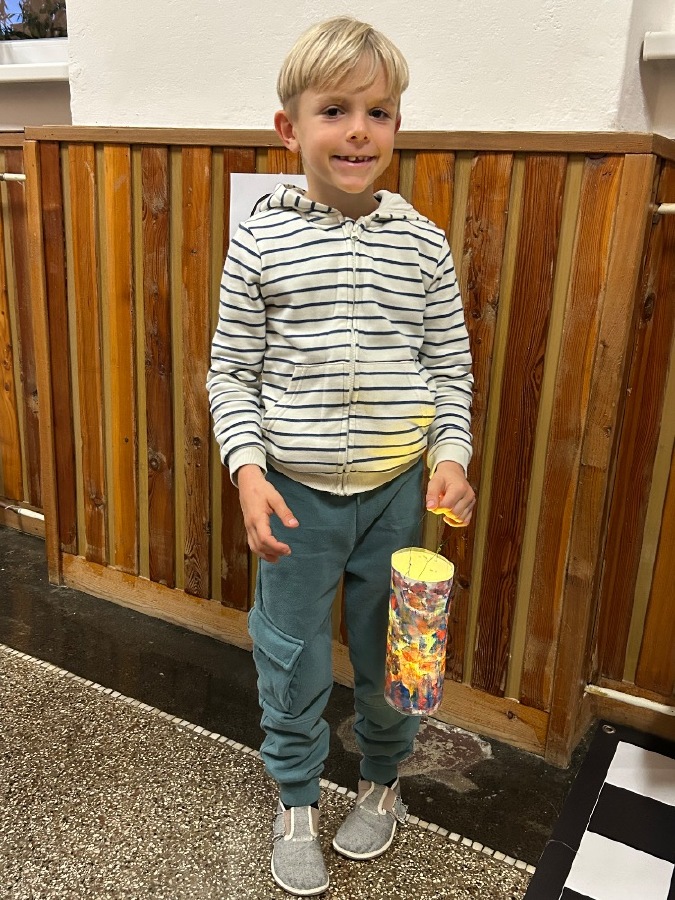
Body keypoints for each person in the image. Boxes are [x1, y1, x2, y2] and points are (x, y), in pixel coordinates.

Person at [207, 15, 475, 897]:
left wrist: (450, 455)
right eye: (334, 110)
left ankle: (383, 782)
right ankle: (294, 800)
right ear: (289, 128)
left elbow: (449, 368)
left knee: (395, 651)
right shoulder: (260, 240)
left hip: (398, 499)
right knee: (290, 653)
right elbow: (230, 371)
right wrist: (248, 472)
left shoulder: (423, 244)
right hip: (293, 497)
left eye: (378, 112)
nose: (359, 131)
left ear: (396, 124)